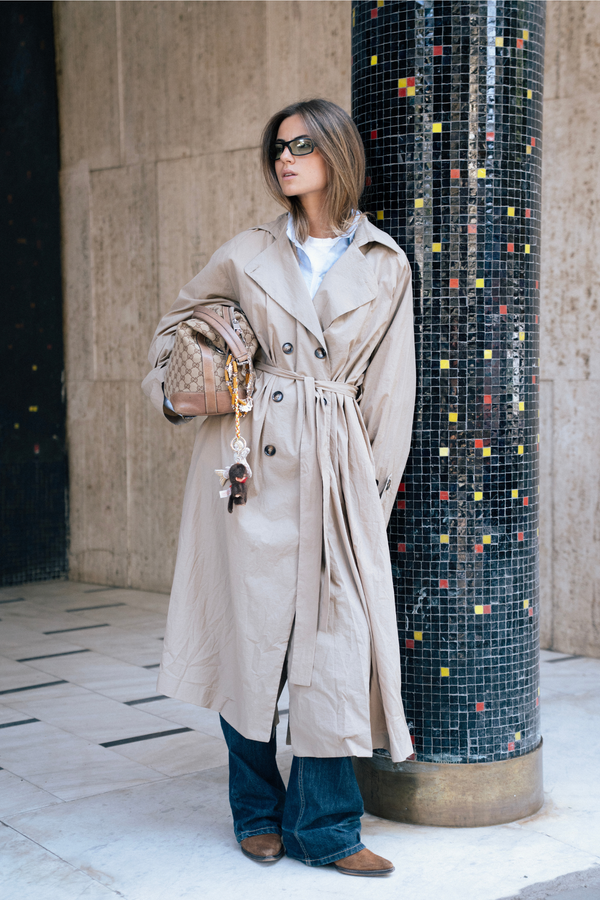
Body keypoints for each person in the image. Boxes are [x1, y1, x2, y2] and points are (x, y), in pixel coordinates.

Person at [142, 99, 416, 876]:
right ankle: (254, 812)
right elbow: (174, 329)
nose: (285, 159)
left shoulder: (384, 263)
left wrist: (369, 497)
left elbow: (391, 394)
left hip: (334, 469)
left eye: (301, 145)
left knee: (334, 647)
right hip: (246, 466)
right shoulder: (247, 251)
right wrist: (177, 389)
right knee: (250, 640)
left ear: (336, 153)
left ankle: (326, 828)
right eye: (277, 149)